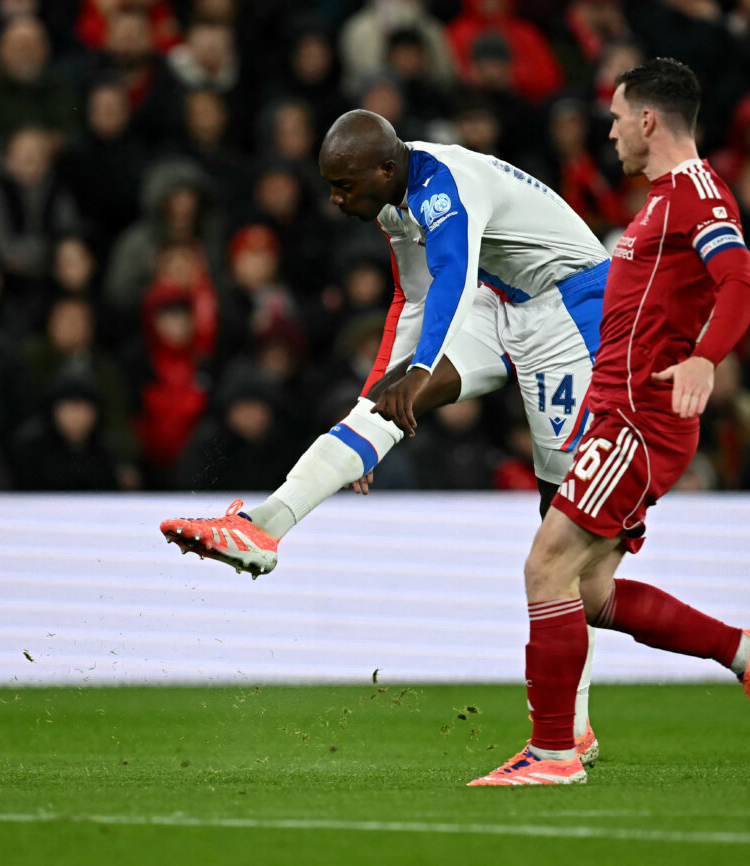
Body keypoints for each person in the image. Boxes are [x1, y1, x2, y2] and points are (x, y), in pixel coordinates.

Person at [160, 108, 609, 763]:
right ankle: (264, 526)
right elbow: (414, 300)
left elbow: (452, 275)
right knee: (381, 410)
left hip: (573, 308)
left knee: (560, 535)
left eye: (344, 185)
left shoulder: (444, 189)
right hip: (502, 301)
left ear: (383, 168)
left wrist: (423, 369)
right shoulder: (394, 196)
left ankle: (578, 726)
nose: (335, 198)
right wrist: (376, 405)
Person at [469, 58, 750, 788]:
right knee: (586, 593)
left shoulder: (695, 194)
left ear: (649, 119)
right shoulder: (658, 202)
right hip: (612, 414)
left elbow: (741, 281)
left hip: (640, 421)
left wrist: (707, 358)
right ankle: (746, 652)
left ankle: (552, 754)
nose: (609, 130)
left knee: (544, 565)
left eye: (616, 117)